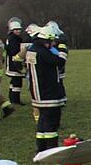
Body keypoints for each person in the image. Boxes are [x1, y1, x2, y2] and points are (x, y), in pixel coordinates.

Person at [25, 23, 66, 152]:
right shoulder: (42, 52)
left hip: (38, 92)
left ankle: (41, 147)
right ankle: (51, 148)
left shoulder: (33, 50)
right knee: (51, 121)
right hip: (47, 92)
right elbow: (60, 61)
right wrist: (63, 48)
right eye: (52, 41)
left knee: (42, 122)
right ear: (46, 40)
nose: (53, 44)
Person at [4, 18, 27, 105]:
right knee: (17, 82)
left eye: (19, 29)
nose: (18, 31)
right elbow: (13, 52)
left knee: (14, 82)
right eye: (16, 30)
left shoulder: (11, 38)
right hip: (14, 63)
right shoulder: (14, 39)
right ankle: (15, 100)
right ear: (12, 30)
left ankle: (12, 98)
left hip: (11, 63)